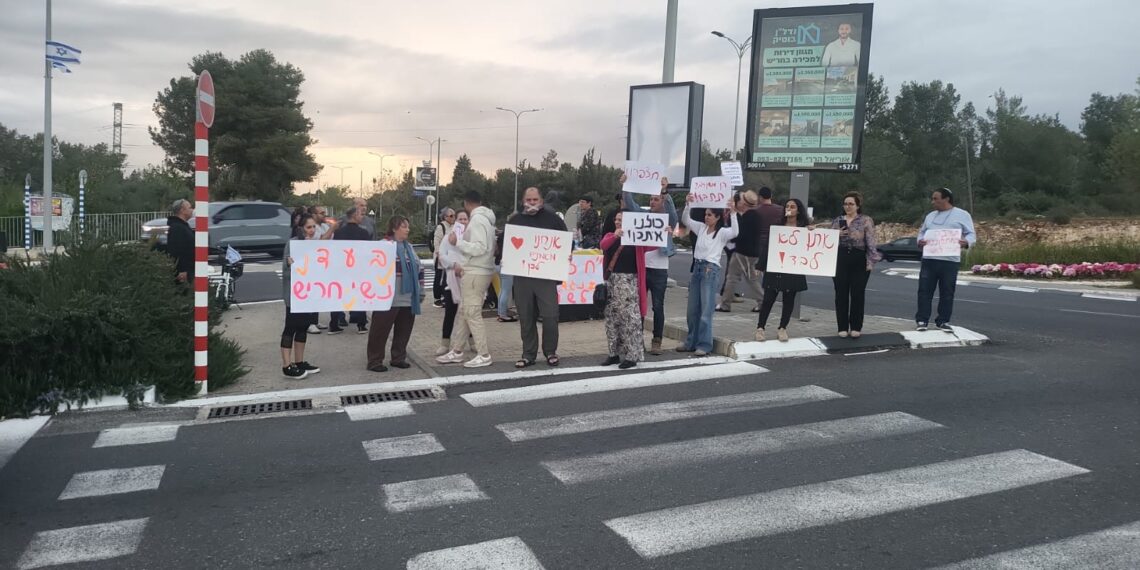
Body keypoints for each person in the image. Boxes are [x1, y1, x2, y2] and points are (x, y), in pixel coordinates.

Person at [505, 187, 569, 368]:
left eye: (535, 199)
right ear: (523, 201)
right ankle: (528, 354)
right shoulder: (515, 220)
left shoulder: (553, 219)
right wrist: (505, 257)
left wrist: (566, 254)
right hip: (522, 276)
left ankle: (551, 351)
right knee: (525, 316)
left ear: (541, 201)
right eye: (529, 199)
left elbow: (566, 242)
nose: (532, 203)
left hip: (546, 276)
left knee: (550, 315)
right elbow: (504, 245)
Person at [436, 190, 497, 368]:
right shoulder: (486, 220)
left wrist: (458, 243)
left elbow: (479, 247)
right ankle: (457, 350)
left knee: (471, 312)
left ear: (466, 203)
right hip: (481, 269)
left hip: (475, 270)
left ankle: (483, 353)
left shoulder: (477, 220)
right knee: (464, 311)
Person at [621, 174, 677, 355]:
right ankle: (637, 339)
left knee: (658, 306)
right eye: (651, 199)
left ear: (662, 201)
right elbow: (630, 205)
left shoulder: (668, 220)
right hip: (643, 268)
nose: (653, 202)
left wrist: (664, 191)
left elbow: (672, 211)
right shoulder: (643, 216)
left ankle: (657, 340)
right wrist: (625, 186)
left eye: (656, 199)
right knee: (640, 306)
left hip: (660, 270)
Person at [677, 194, 739, 356]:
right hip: (697, 267)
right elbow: (686, 219)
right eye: (705, 214)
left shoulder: (722, 233)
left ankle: (704, 344)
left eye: (710, 215)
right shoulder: (701, 228)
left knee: (706, 309)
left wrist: (732, 213)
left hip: (710, 270)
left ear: (717, 217)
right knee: (692, 309)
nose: (706, 217)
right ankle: (691, 341)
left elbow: (735, 231)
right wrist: (688, 204)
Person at [366, 216, 423, 372]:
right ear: (394, 228)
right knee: (380, 330)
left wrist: (421, 290)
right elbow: (371, 268)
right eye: (404, 226)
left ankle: (398, 357)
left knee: (404, 330)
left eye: (407, 226)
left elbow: (419, 269)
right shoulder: (383, 246)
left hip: (407, 297)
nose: (407, 229)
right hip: (388, 298)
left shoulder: (409, 247)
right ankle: (375, 360)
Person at [916, 187, 977, 332]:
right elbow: (922, 232)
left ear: (946, 199)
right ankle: (922, 320)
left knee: (947, 291)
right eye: (932, 199)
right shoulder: (930, 216)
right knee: (924, 290)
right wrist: (920, 241)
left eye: (936, 199)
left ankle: (943, 321)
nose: (933, 202)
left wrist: (966, 242)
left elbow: (971, 234)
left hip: (949, 260)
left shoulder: (962, 215)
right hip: (929, 259)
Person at [600, 211, 651, 369]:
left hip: (629, 281)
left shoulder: (636, 238)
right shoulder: (610, 236)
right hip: (612, 281)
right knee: (612, 319)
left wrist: (664, 233)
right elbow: (603, 245)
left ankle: (632, 355)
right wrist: (615, 235)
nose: (617, 222)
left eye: (620, 220)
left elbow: (653, 243)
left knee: (630, 320)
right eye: (616, 219)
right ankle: (613, 353)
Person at [756, 199, 810, 342]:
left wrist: (811, 232)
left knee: (789, 299)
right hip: (776, 266)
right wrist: (760, 265)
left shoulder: (804, 228)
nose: (789, 208)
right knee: (768, 298)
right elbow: (768, 246)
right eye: (787, 206)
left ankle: (782, 328)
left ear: (798, 210)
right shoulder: (777, 227)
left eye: (793, 206)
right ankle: (760, 328)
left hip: (793, 267)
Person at [830, 192, 881, 338]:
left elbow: (871, 241)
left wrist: (871, 261)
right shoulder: (837, 220)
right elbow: (827, 241)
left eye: (851, 204)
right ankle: (842, 326)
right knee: (841, 293)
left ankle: (856, 326)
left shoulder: (865, 220)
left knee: (858, 293)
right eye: (845, 204)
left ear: (858, 205)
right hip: (840, 257)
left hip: (858, 257)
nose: (848, 206)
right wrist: (835, 235)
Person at [280, 214, 321, 379]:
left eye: (313, 227)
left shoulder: (314, 245)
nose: (311, 230)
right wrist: (289, 264)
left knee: (303, 326)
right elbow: (285, 268)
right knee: (291, 327)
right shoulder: (293, 244)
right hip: (294, 294)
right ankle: (286, 365)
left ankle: (299, 361)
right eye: (308, 227)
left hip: (308, 293)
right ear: (301, 228)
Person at [716, 190, 764, 312]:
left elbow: (739, 235)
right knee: (751, 279)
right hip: (752, 252)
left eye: (742, 200)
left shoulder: (747, 217)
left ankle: (725, 304)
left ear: (745, 204)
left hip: (743, 252)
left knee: (732, 277)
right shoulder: (757, 215)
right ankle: (762, 302)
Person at [329, 206, 372, 334]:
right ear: (354, 215)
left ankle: (334, 323)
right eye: (360, 214)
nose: (362, 217)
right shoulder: (363, 233)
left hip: (341, 269)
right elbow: (367, 252)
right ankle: (361, 324)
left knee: (339, 295)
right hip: (358, 269)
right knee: (359, 295)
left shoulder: (339, 233)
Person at [437, 211, 469, 355]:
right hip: (451, 280)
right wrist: (453, 264)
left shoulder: (471, 238)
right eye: (460, 219)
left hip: (468, 279)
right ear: (456, 221)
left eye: (465, 219)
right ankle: (445, 343)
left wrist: (464, 267)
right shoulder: (446, 238)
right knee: (450, 313)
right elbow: (442, 256)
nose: (463, 221)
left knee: (469, 313)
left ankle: (472, 340)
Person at [165, 199, 195, 285]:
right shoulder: (177, 228)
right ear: (182, 210)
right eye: (189, 207)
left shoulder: (183, 226)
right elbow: (176, 250)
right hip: (184, 272)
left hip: (189, 268)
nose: (192, 210)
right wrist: (182, 270)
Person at [431, 208, 455, 308]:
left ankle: (445, 297)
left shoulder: (454, 226)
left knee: (448, 277)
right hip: (441, 256)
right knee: (439, 277)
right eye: (451, 216)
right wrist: (439, 254)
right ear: (445, 217)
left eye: (454, 215)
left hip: (450, 256)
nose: (453, 217)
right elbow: (436, 241)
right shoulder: (441, 227)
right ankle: (437, 298)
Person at [493, 227, 517, 322]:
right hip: (506, 265)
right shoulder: (510, 238)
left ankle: (500, 312)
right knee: (506, 291)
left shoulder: (501, 237)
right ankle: (502, 314)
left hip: (498, 264)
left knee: (502, 290)